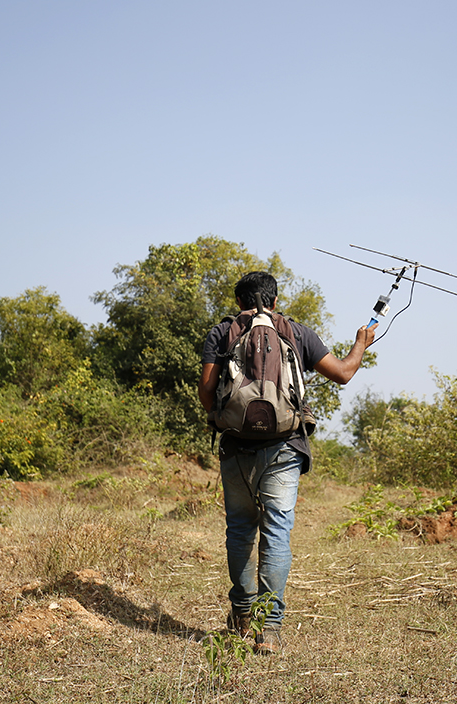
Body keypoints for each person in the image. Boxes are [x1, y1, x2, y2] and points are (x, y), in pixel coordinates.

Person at [198, 271, 376, 654]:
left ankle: (243, 616)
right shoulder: (296, 333)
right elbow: (343, 374)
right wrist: (362, 343)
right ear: (275, 301)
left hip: (235, 447)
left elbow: (206, 394)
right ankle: (270, 630)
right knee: (276, 533)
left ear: (240, 301)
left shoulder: (222, 332)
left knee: (240, 529)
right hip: (284, 447)